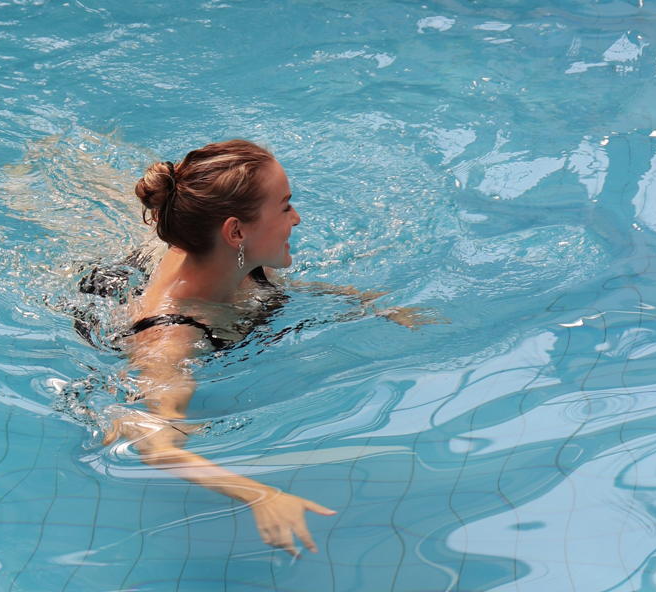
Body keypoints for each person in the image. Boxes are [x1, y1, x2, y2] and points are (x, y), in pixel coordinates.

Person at [97, 139, 434, 556]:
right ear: (236, 232)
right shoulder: (171, 338)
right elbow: (156, 446)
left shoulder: (237, 257)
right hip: (115, 293)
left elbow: (284, 289)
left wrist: (371, 305)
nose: (297, 218)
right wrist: (261, 495)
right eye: (285, 206)